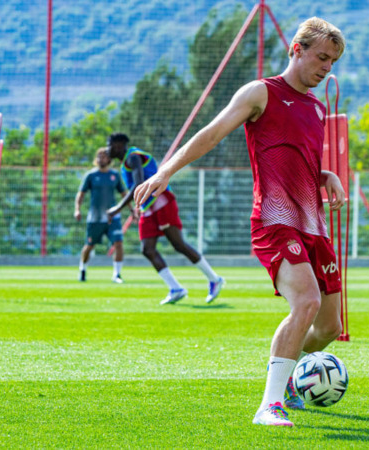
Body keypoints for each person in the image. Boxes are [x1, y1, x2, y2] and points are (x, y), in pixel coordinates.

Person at [134, 17, 346, 427]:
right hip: (274, 220)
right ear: (297, 49)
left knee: (329, 327)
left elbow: (298, 160)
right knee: (306, 302)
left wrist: (325, 175)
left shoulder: (318, 109)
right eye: (321, 57)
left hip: (313, 223)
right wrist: (165, 172)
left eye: (333, 62)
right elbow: (212, 133)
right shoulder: (260, 92)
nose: (327, 67)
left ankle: (287, 372)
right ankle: (269, 405)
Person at [105, 132, 224, 305]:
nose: (107, 149)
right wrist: (137, 207)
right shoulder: (126, 162)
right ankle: (175, 289)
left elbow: (138, 184)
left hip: (160, 201)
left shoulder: (133, 157)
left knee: (178, 244)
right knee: (147, 249)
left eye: (109, 144)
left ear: (118, 145)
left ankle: (214, 279)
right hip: (148, 207)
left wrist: (117, 208)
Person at [74, 147, 128, 283]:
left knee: (119, 243)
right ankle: (83, 269)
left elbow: (124, 194)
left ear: (109, 159)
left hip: (113, 218)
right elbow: (81, 194)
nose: (100, 159)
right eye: (98, 156)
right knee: (89, 245)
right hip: (95, 218)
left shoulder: (115, 175)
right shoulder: (91, 175)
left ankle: (117, 274)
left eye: (103, 156)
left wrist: (133, 209)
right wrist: (77, 209)